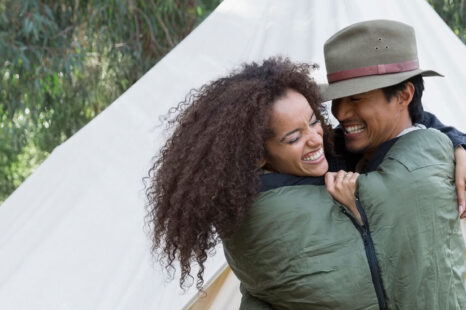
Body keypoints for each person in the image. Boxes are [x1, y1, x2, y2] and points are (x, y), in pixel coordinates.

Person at [146, 56, 465, 309]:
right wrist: (359, 208)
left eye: (314, 120)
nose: (316, 138)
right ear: (258, 156)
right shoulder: (267, 218)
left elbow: (408, 130)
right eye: (294, 136)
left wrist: (457, 142)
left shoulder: (322, 155)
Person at [320, 19, 466, 309]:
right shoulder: (333, 149)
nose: (340, 112)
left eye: (356, 98)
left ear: (404, 95)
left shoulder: (426, 169)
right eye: (337, 99)